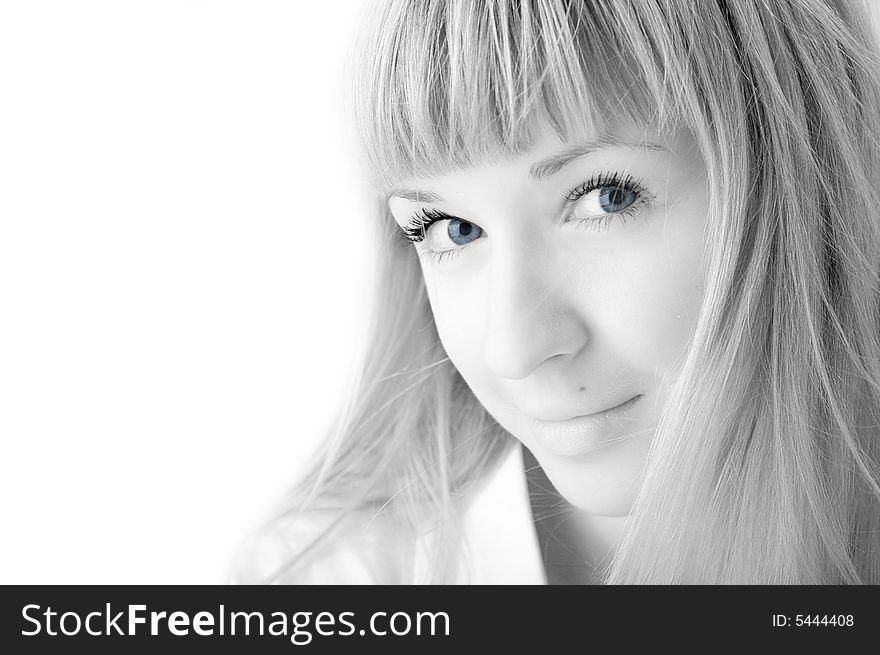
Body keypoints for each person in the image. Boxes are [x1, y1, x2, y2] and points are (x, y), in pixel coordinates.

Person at [233, 0, 880, 584]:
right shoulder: (343, 583)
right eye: (452, 228)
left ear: (804, 169)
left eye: (607, 196)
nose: (515, 348)